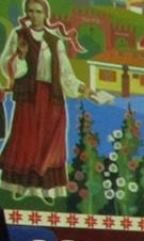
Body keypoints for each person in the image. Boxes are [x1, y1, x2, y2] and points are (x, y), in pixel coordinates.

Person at [0, 0, 94, 202]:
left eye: (39, 11)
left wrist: (80, 87)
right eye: (31, 11)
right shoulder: (19, 35)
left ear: (45, 14)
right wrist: (21, 57)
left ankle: (47, 189)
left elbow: (65, 72)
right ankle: (21, 186)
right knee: (27, 141)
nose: (35, 15)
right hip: (29, 97)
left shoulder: (55, 41)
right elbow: (7, 64)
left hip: (51, 98)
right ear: (27, 13)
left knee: (50, 143)